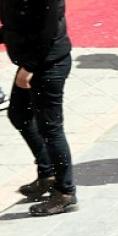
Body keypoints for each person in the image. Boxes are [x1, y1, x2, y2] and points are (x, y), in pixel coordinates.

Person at [1, 0, 77, 215]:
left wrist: (29, 67)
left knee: (50, 129)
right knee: (18, 114)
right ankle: (47, 174)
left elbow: (48, 29)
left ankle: (65, 192)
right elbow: (16, 23)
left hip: (48, 63)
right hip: (33, 60)